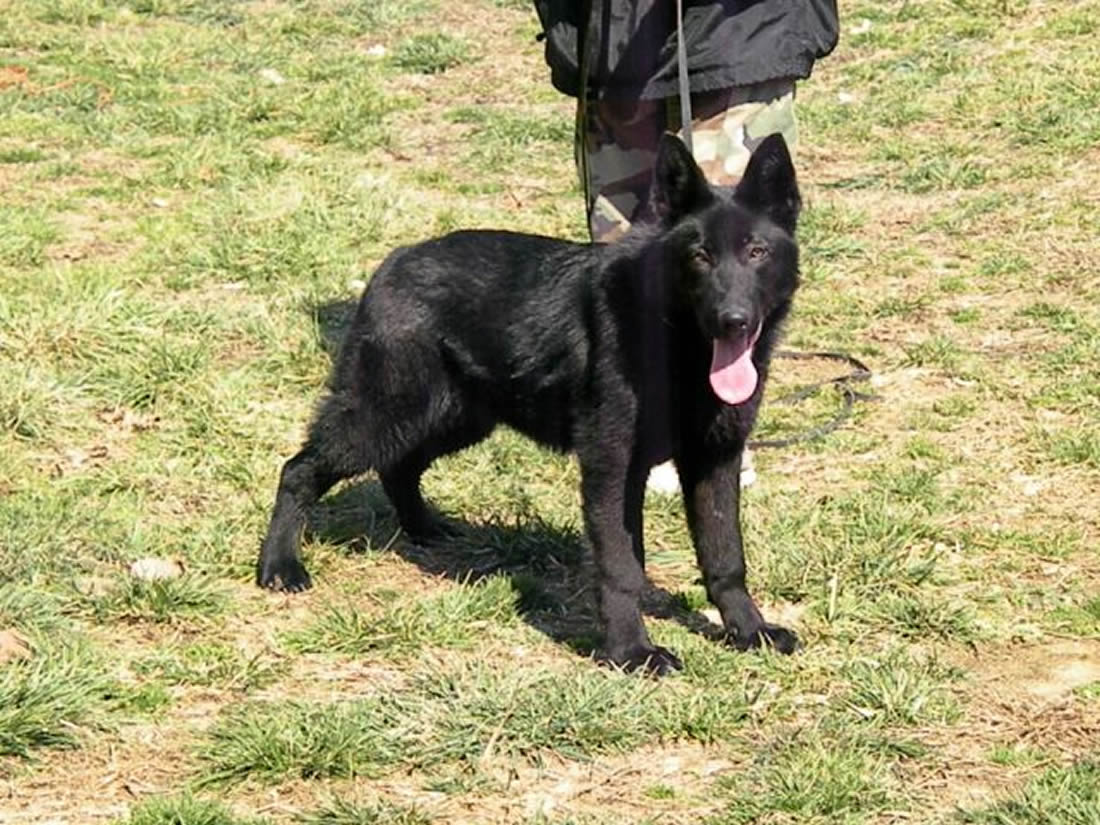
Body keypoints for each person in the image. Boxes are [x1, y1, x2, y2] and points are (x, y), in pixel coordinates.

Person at [534, 0, 840, 491]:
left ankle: (719, 439)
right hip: (610, 43)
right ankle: (647, 432)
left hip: (736, 34)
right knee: (627, 268)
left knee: (733, 263)